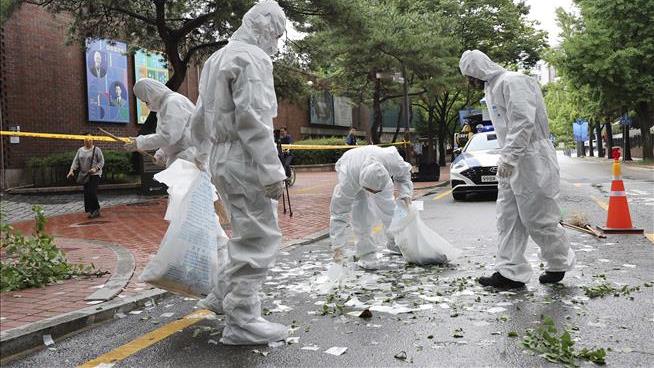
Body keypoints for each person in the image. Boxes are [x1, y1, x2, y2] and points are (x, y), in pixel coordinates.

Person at [188, 1, 288, 345]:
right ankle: (242, 319)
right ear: (265, 28)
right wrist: (272, 171)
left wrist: (200, 153)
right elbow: (255, 118)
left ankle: (221, 295)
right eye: (275, 34)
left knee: (243, 231)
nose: (275, 43)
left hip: (221, 157)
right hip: (244, 158)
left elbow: (199, 116)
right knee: (258, 237)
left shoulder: (216, 58)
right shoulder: (253, 59)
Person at [459, 50, 575, 289]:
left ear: (477, 71)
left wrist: (510, 157)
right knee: (508, 217)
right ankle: (510, 272)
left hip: (533, 158)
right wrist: (508, 158)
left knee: (539, 217)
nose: (469, 82)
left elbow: (523, 120)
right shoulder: (492, 88)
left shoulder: (513, 81)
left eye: (469, 76)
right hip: (512, 159)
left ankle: (557, 263)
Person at [330, 145, 413, 269]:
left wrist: (405, 194)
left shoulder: (391, 160)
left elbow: (405, 174)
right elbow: (338, 214)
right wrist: (337, 247)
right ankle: (366, 253)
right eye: (370, 190)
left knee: (389, 209)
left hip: (376, 171)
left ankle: (395, 242)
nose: (373, 194)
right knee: (360, 215)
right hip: (351, 166)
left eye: (376, 191)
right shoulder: (348, 180)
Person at [123, 78, 194, 168]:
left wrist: (141, 142)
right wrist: (161, 154)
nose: (147, 104)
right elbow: (173, 137)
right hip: (184, 160)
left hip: (189, 160)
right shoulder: (166, 105)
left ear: (150, 94)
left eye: (146, 101)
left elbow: (168, 136)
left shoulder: (172, 102)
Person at [67, 133, 104, 218]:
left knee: (92, 192)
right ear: (83, 140)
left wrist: (95, 169)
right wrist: (71, 170)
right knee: (87, 193)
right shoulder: (80, 150)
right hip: (85, 174)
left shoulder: (97, 149)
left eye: (90, 140)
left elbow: (101, 161)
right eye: (86, 140)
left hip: (95, 174)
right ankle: (91, 211)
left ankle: (96, 209)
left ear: (92, 140)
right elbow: (75, 161)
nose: (88, 141)